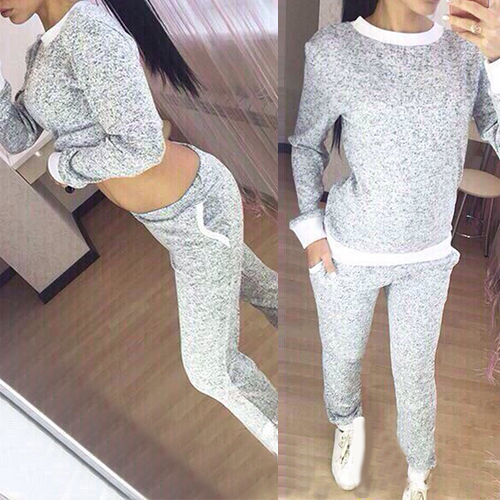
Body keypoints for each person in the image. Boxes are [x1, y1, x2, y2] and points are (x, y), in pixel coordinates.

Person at [0, 0, 278, 455]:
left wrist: (66, 166)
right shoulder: (43, 51)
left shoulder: (89, 34)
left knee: (211, 371)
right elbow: (18, 136)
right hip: (169, 218)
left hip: (197, 212)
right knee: (263, 289)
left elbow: (143, 146)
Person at [288, 0, 500, 496]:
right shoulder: (334, 50)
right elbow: (306, 143)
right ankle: (346, 422)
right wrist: (311, 229)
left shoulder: (466, 53)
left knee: (415, 373)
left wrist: (497, 59)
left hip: (427, 258)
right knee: (342, 354)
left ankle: (419, 473)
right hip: (349, 250)